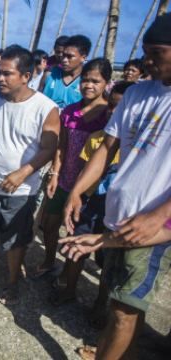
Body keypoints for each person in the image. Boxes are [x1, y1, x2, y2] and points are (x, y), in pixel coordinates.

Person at [61, 14, 171, 359]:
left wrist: (162, 216)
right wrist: (78, 190)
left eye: (157, 52)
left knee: (126, 309)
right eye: (146, 52)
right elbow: (107, 147)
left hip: (152, 226)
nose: (147, 60)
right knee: (117, 302)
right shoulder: (138, 93)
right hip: (118, 212)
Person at [0, 46, 60, 304]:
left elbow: (49, 148)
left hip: (21, 188)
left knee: (15, 238)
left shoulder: (46, 108)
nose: (0, 78)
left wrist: (23, 172)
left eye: (7, 74)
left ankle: (12, 281)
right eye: (0, 72)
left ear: (26, 76)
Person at [51, 81, 135, 314]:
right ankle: (68, 289)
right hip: (89, 202)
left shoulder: (137, 147)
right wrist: (75, 195)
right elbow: (85, 169)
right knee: (76, 245)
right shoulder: (97, 138)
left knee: (107, 258)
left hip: (115, 208)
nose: (114, 112)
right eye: (111, 106)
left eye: (120, 107)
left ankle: (100, 304)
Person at [34, 58, 112, 283]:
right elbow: (62, 146)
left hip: (89, 187)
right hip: (64, 179)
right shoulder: (69, 112)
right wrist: (55, 174)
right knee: (49, 225)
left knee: (75, 234)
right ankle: (50, 261)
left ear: (106, 83)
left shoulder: (108, 116)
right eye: (85, 80)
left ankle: (69, 280)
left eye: (95, 81)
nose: (88, 85)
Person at [40, 35, 91, 110]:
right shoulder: (49, 75)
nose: (64, 60)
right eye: (64, 55)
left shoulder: (88, 82)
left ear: (83, 58)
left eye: (70, 56)